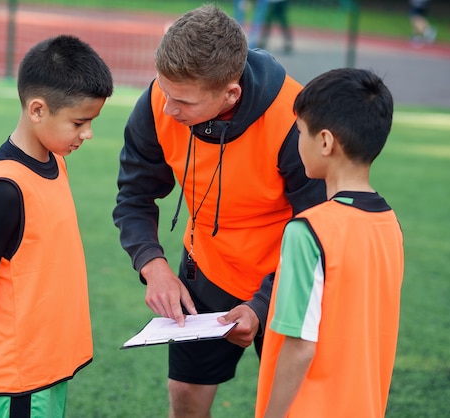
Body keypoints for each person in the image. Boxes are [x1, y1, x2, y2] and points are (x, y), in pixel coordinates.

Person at [112, 5, 325, 417]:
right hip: (206, 271)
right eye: (164, 92)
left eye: (183, 102)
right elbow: (134, 196)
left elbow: (321, 235)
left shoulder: (295, 121)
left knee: (297, 407)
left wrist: (262, 305)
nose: (168, 109)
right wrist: (153, 266)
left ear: (231, 94)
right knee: (186, 397)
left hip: (285, 279)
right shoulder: (161, 99)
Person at [0, 35, 113, 417]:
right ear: (37, 109)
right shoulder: (6, 189)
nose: (87, 133)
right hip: (19, 379)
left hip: (49, 366)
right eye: (79, 122)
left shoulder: (56, 163)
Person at [254, 68, 404, 417]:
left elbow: (300, 345)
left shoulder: (309, 230)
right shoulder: (389, 225)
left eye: (299, 132)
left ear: (325, 142)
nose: (296, 142)